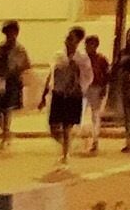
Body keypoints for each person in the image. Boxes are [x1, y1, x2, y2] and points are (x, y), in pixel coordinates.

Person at [39, 28, 91, 165]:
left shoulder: (82, 58)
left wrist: (78, 74)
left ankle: (65, 154)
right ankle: (67, 146)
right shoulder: (58, 55)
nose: (67, 41)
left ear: (78, 41)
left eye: (71, 38)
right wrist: (44, 95)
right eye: (67, 38)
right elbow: (51, 74)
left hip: (73, 94)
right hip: (58, 93)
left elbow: (88, 77)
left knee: (67, 126)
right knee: (53, 127)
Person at [0, 21, 33, 150]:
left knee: (7, 109)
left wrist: (18, 70)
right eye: (8, 33)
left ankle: (5, 136)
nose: (10, 36)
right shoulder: (0, 48)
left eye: (12, 33)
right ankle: (6, 132)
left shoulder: (20, 49)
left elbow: (26, 64)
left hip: (12, 81)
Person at [80, 37, 111, 156]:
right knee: (81, 115)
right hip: (84, 88)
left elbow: (106, 75)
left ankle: (94, 140)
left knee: (95, 115)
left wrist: (104, 88)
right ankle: (85, 139)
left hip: (95, 88)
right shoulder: (81, 59)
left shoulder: (101, 59)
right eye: (87, 45)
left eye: (92, 45)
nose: (89, 47)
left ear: (96, 46)